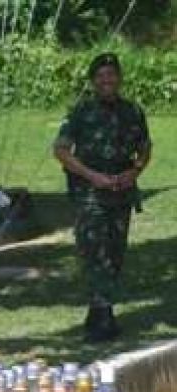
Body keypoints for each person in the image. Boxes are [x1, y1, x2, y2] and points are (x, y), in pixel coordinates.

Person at [53, 52, 151, 342]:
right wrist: (91, 175)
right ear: (93, 81)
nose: (107, 80)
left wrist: (135, 171)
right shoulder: (81, 112)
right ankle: (104, 317)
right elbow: (60, 150)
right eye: (101, 76)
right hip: (90, 193)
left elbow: (145, 148)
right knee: (96, 253)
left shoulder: (133, 111)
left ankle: (96, 313)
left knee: (116, 253)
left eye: (112, 75)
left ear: (119, 78)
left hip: (121, 193)